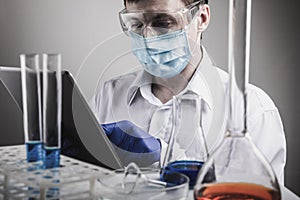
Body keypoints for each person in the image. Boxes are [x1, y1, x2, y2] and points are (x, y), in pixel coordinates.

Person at [91, 0, 286, 184]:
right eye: (136, 24)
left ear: (201, 18)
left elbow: (255, 193)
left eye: (163, 22)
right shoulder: (109, 94)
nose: (147, 37)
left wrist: (166, 157)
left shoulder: (252, 110)